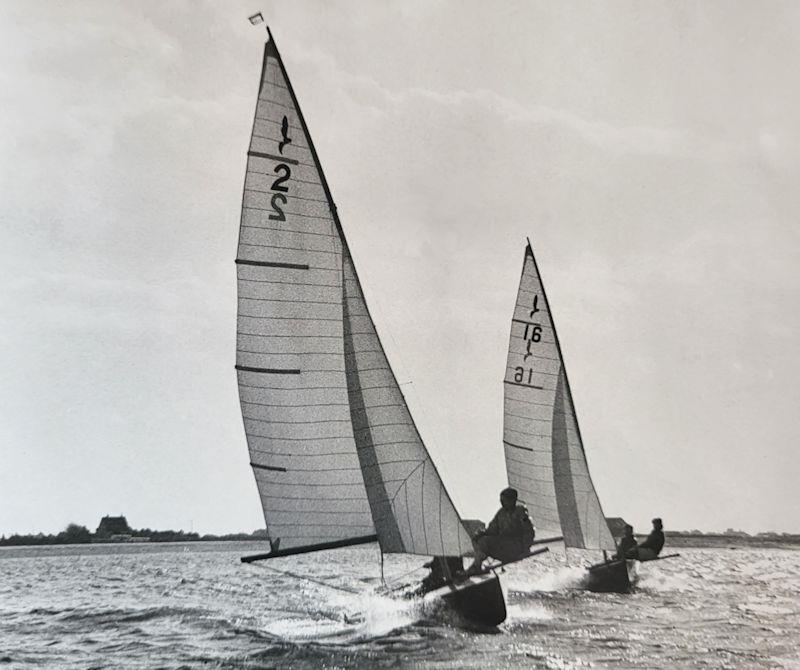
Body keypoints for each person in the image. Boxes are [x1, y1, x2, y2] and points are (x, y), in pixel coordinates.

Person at [465, 487, 535, 575]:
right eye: (501, 500)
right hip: (504, 546)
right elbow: (492, 529)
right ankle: (477, 565)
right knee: (478, 539)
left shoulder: (521, 512)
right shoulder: (501, 513)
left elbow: (529, 532)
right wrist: (481, 534)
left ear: (512, 500)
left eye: (504, 500)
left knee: (486, 541)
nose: (501, 502)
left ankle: (476, 567)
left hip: (517, 548)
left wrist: (525, 549)